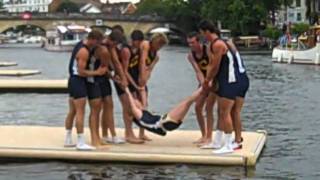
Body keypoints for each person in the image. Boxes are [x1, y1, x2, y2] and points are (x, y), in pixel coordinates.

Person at [198, 20, 249, 154]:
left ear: (207, 32)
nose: (202, 37)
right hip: (239, 78)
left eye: (202, 33)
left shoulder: (218, 44)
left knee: (224, 112)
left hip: (231, 80)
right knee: (232, 112)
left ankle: (228, 144)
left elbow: (215, 66)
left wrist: (207, 80)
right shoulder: (225, 42)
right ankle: (223, 141)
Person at [64, 29, 107, 150]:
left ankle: (68, 139)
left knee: (72, 110)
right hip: (78, 80)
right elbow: (81, 71)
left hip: (72, 80)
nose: (98, 45)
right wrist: (97, 72)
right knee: (80, 111)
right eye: (98, 42)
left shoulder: (80, 44)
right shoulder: (84, 51)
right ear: (93, 39)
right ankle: (80, 142)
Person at [86, 30, 127, 147]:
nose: (116, 47)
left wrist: (122, 79)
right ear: (112, 41)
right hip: (95, 78)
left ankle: (110, 135)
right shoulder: (103, 49)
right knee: (97, 108)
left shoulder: (110, 47)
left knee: (109, 104)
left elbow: (115, 63)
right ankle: (97, 136)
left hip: (103, 78)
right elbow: (106, 68)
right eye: (116, 44)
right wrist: (116, 79)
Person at [131, 30, 169, 140]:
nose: (158, 48)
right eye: (158, 44)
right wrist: (140, 79)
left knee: (144, 105)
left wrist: (143, 82)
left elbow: (149, 69)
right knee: (132, 106)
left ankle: (142, 132)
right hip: (132, 75)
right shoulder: (145, 45)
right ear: (154, 41)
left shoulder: (156, 56)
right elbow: (142, 63)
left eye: (161, 46)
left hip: (141, 79)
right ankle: (129, 132)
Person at [124, 84, 204, 136]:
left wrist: (141, 88)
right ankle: (205, 85)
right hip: (165, 123)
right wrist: (126, 89)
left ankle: (204, 86)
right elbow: (132, 106)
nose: (138, 101)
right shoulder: (138, 115)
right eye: (136, 101)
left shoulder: (143, 112)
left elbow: (143, 92)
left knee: (188, 102)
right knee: (188, 101)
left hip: (167, 122)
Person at [112, 26, 145, 144]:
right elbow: (124, 70)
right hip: (122, 80)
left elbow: (139, 65)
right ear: (133, 40)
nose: (139, 44)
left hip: (132, 80)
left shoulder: (139, 49)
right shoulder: (126, 50)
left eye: (141, 42)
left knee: (134, 108)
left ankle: (132, 133)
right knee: (128, 107)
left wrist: (141, 79)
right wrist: (134, 85)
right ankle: (128, 134)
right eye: (137, 41)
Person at [186, 32, 217, 146]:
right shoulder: (191, 56)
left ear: (198, 41)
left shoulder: (208, 49)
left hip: (214, 80)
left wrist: (209, 81)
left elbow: (213, 65)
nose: (191, 45)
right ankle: (204, 135)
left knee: (209, 108)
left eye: (193, 43)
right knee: (198, 107)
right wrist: (203, 84)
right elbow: (198, 71)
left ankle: (210, 136)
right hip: (203, 82)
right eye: (189, 43)